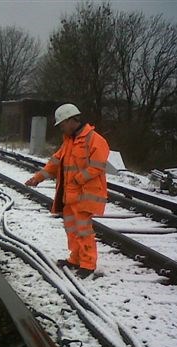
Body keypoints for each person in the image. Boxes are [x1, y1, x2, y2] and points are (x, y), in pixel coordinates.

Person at [25, 103, 109, 279]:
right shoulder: (68, 142)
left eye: (62, 123)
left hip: (85, 195)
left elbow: (97, 166)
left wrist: (77, 179)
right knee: (72, 229)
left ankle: (88, 264)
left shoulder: (95, 140)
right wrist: (38, 178)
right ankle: (75, 259)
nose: (61, 127)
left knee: (83, 229)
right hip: (70, 196)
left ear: (72, 120)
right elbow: (55, 163)